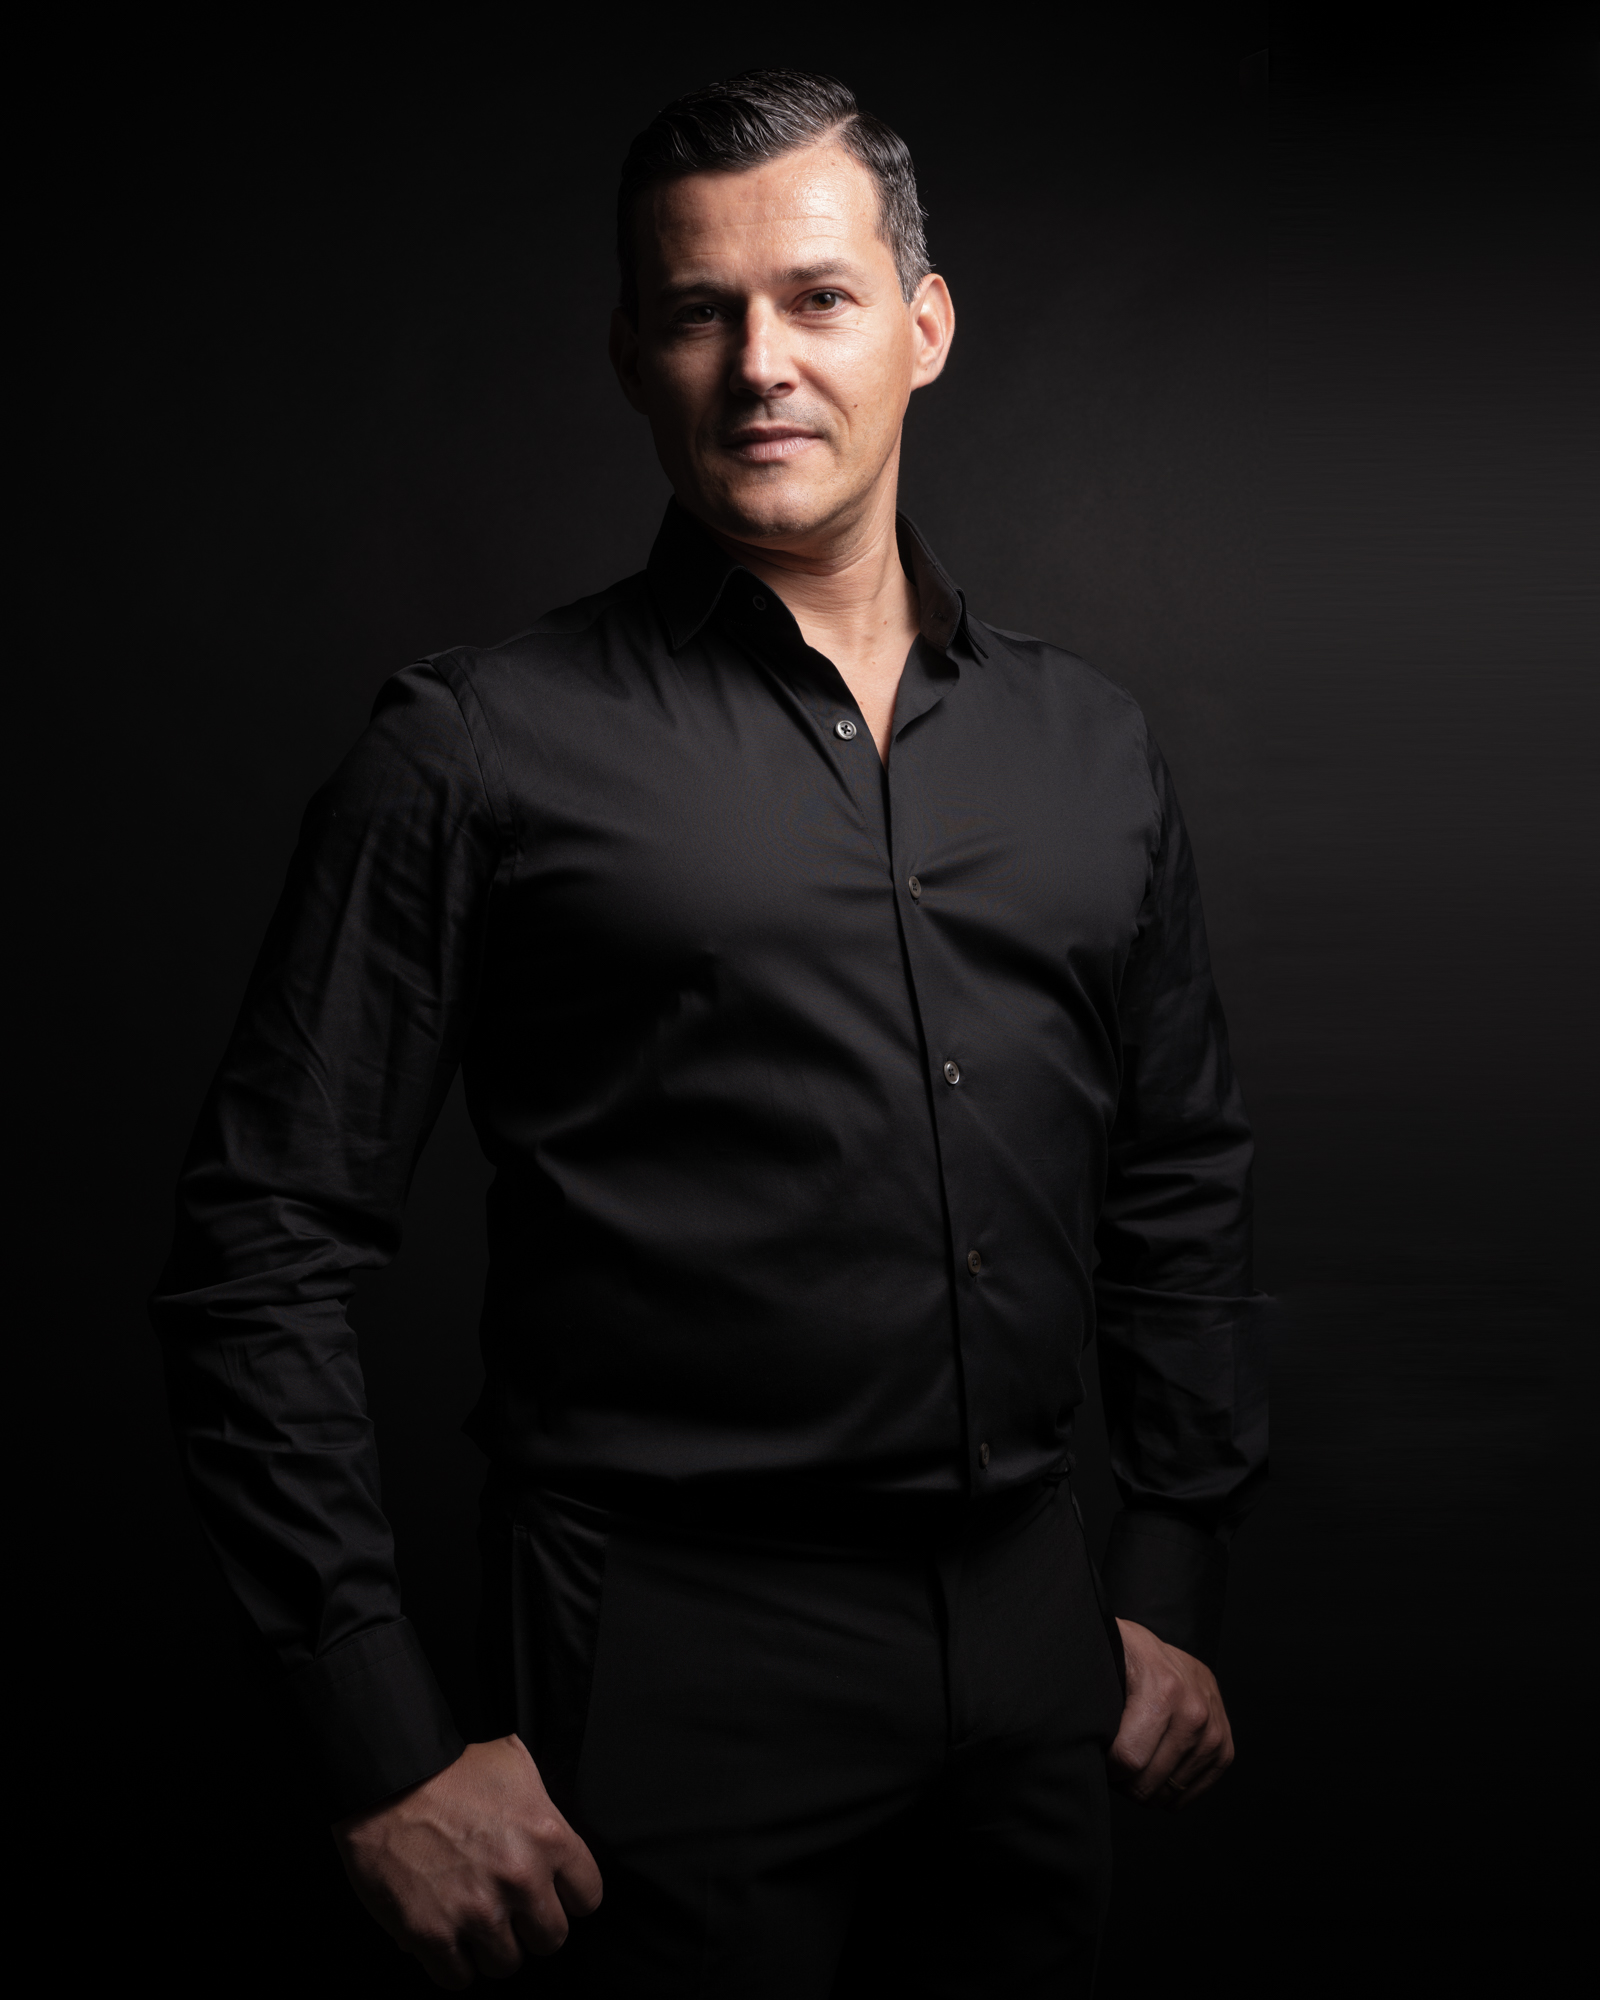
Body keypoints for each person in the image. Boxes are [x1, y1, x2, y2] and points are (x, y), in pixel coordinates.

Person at [154, 68, 1265, 1996]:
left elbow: (1180, 1170)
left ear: (925, 325)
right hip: (662, 1660)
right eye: (698, 311)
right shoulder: (473, 748)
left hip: (1038, 1644)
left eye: (818, 298)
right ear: (631, 356)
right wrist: (380, 1741)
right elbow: (259, 1243)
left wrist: (1168, 1567)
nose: (761, 363)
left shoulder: (1093, 746)